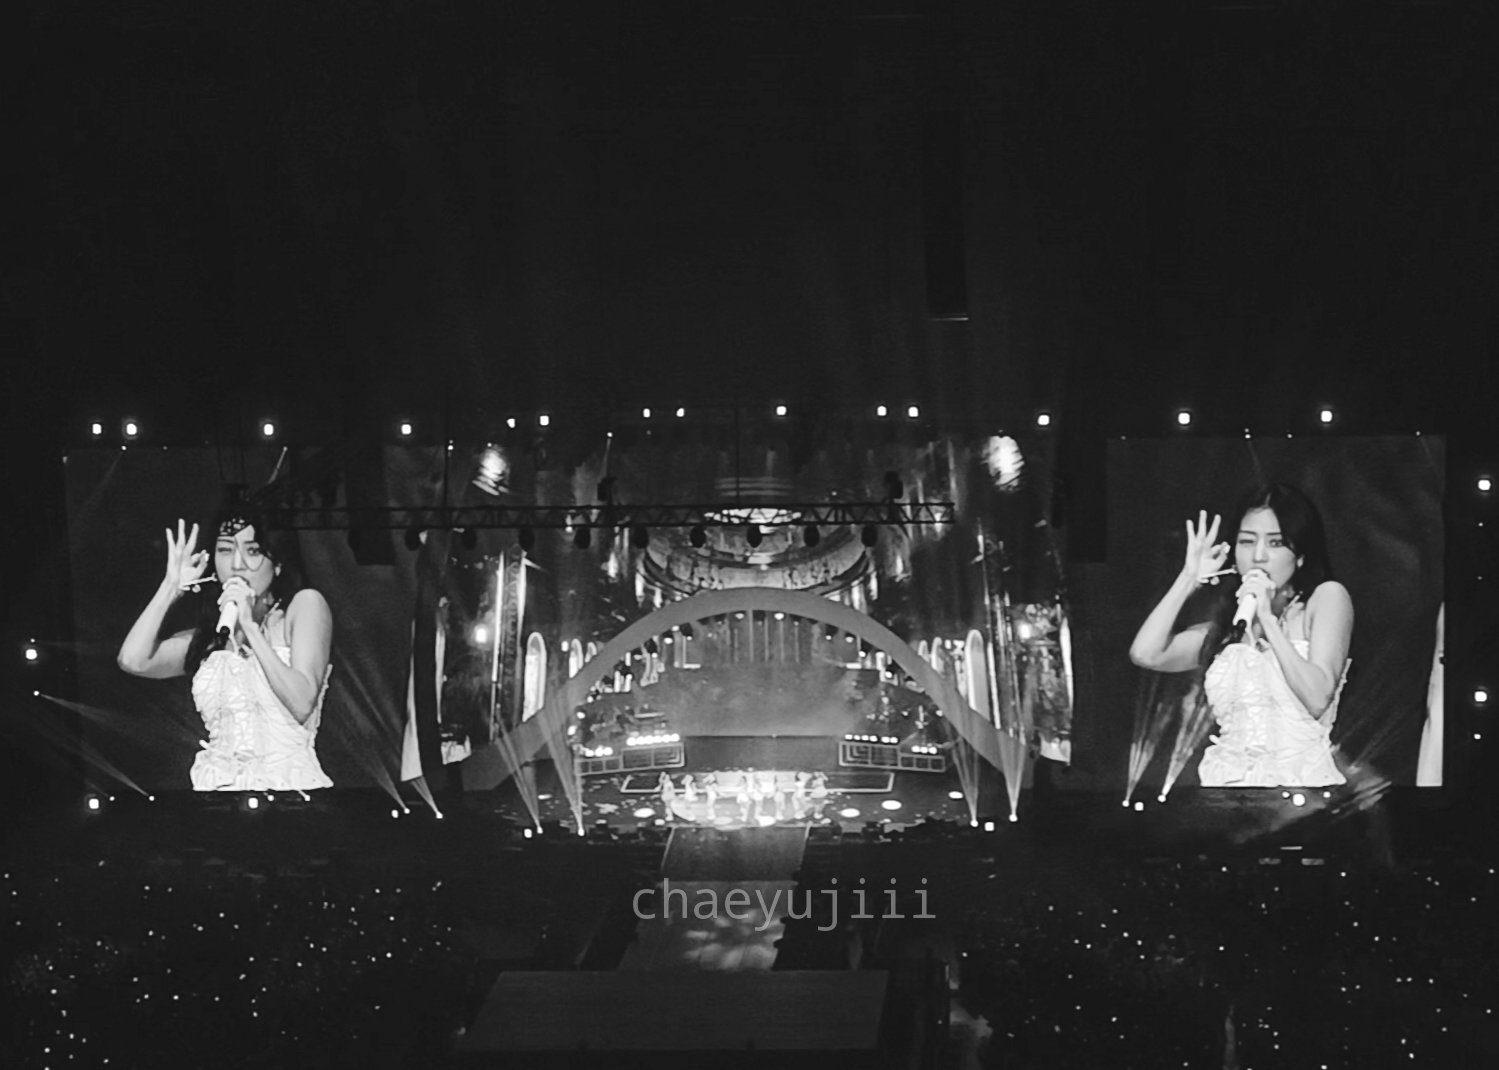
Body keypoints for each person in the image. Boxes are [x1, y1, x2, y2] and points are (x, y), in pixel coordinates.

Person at [1128, 484, 1351, 787]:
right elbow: (1147, 653)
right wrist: (1189, 578)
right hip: (1225, 790)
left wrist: (1268, 621)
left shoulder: (1325, 599)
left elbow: (1317, 697)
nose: (1258, 556)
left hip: (1301, 791)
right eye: (1247, 541)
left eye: (1275, 543)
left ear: (1300, 555)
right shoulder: (1229, 627)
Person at [118, 506, 334, 791]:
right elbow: (133, 660)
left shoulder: (304, 606)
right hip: (218, 793)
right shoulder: (211, 638)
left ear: (278, 563)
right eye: (225, 549)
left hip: (292, 791)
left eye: (253, 551)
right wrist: (171, 588)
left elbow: (302, 702)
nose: (237, 563)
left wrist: (250, 627)